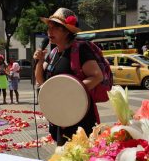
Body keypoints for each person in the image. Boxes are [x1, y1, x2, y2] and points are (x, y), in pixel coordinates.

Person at [34, 8, 103, 146]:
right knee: (64, 157)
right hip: (61, 115)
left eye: (55, 28)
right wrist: (40, 61)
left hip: (81, 117)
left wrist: (68, 94)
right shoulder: (53, 53)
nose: (49, 31)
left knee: (83, 158)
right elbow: (42, 82)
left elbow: (96, 76)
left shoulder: (80, 49)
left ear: (66, 31)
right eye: (49, 27)